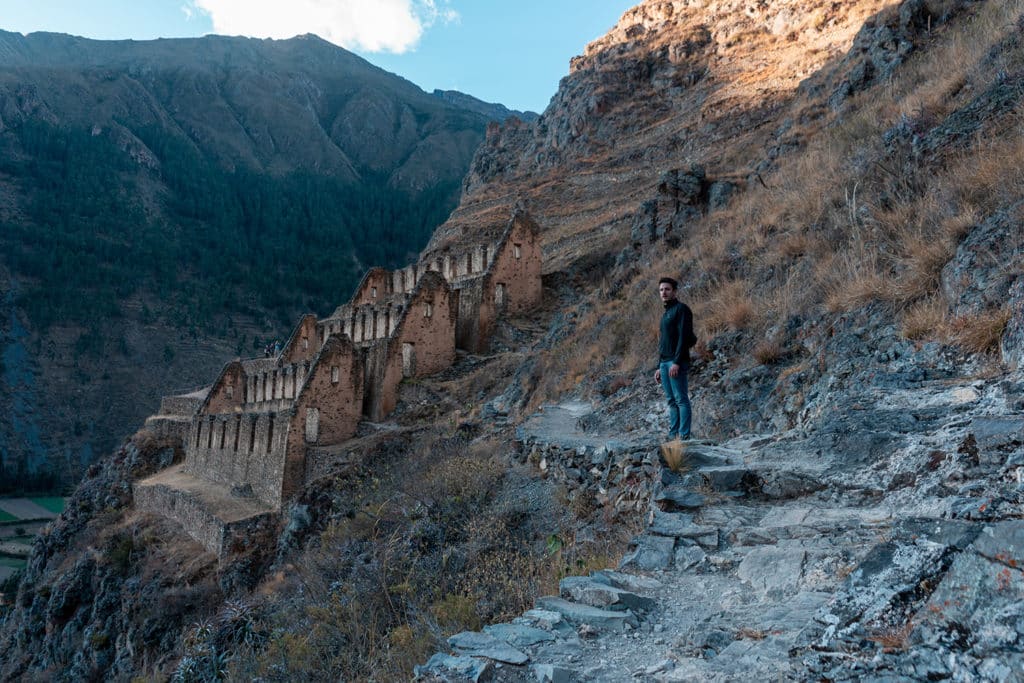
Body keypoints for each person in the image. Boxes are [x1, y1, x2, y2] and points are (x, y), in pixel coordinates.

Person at [654, 277, 695, 440]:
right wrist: (659, 366)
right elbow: (664, 342)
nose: (664, 292)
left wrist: (677, 362)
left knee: (681, 399)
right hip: (664, 363)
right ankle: (673, 435)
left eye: (667, 289)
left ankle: (684, 436)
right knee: (671, 400)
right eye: (661, 290)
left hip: (675, 362)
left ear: (675, 291)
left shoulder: (681, 309)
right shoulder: (665, 314)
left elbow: (684, 338)